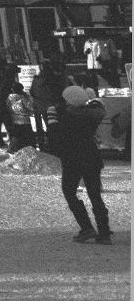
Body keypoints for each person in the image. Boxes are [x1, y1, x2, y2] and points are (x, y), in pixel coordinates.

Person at [48, 85, 112, 245]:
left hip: (72, 160)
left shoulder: (66, 117)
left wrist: (52, 119)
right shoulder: (91, 115)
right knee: (95, 195)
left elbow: (55, 136)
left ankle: (86, 227)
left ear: (69, 101)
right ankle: (104, 233)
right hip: (92, 158)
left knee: (69, 192)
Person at [5, 80, 38, 152]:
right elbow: (30, 107)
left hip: (14, 120)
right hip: (25, 121)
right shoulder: (23, 98)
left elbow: (8, 108)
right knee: (28, 138)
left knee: (17, 137)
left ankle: (14, 149)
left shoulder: (9, 98)